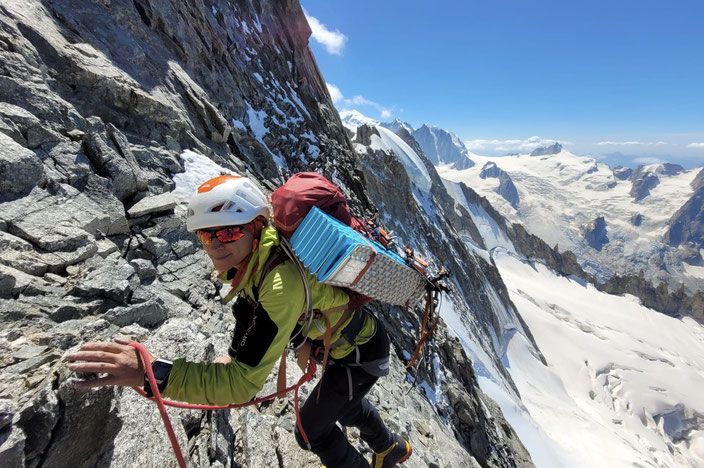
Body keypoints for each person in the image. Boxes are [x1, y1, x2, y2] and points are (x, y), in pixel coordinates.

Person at [68, 175, 412, 468]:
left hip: (360, 356)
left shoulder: (278, 282)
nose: (216, 245)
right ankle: (392, 448)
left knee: (309, 430)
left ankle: (381, 454)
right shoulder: (259, 261)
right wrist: (238, 355)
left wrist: (150, 374)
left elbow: (240, 385)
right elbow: (252, 318)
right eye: (206, 235)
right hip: (348, 347)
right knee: (342, 405)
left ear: (257, 227)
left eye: (230, 233)